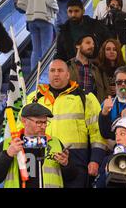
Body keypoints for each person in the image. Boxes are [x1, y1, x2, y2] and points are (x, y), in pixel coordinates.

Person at [23, 59, 108, 188]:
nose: (56, 74)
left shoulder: (85, 97)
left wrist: (95, 159)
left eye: (60, 70)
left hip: (76, 157)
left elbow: (97, 132)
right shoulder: (34, 98)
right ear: (48, 74)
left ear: (68, 74)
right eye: (52, 70)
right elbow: (21, 129)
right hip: (42, 156)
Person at [0, 103, 76, 188]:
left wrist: (66, 164)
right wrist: (7, 154)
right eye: (38, 122)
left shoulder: (55, 143)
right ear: (24, 121)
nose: (43, 126)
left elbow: (72, 177)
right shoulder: (7, 145)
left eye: (45, 122)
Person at [17, 0, 58, 70]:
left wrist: (31, 10)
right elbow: (50, 0)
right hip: (44, 19)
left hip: (31, 21)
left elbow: (20, 3)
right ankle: (45, 74)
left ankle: (34, 74)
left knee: (35, 50)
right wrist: (56, 9)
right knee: (46, 49)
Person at [67, 35, 110, 104]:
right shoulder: (67, 67)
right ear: (77, 45)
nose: (92, 46)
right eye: (88, 43)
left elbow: (106, 92)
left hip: (94, 110)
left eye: (93, 44)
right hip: (72, 109)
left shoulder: (98, 69)